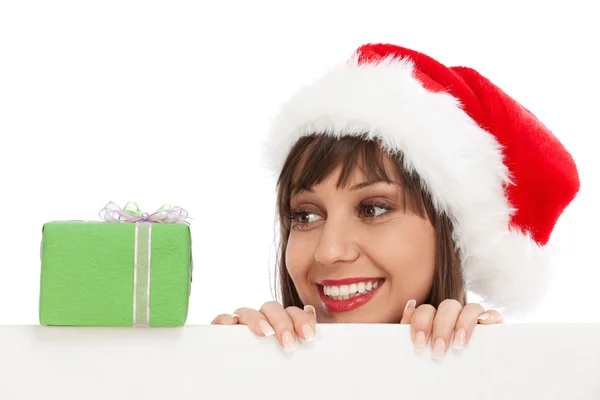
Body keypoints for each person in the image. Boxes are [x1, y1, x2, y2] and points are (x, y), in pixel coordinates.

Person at [212, 43, 580, 359]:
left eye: (372, 208)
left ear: (450, 232)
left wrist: (467, 375)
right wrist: (220, 372)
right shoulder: (248, 362)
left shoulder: (506, 377)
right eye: (306, 216)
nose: (329, 251)